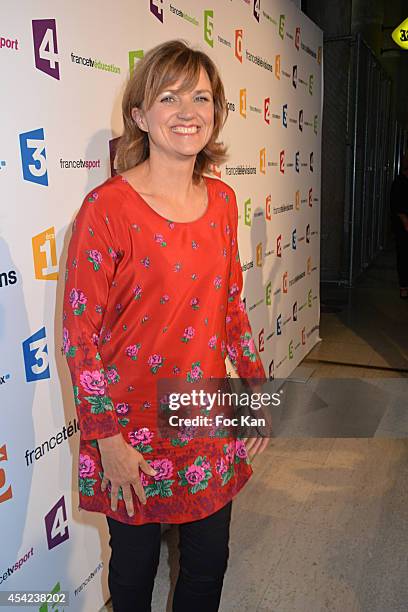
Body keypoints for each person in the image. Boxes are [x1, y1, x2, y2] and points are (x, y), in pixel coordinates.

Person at [62, 39, 269, 612]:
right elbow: (80, 335)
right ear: (139, 116)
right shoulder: (107, 209)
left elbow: (231, 308)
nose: (188, 111)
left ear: (217, 112)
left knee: (207, 565)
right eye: (169, 96)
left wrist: (255, 393)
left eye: (201, 97)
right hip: (130, 430)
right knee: (132, 575)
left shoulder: (225, 201)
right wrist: (106, 440)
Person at [390, 154, 408, 299]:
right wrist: (405, 223)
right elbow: (397, 208)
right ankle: (404, 287)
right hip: (403, 228)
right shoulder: (399, 183)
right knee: (403, 256)